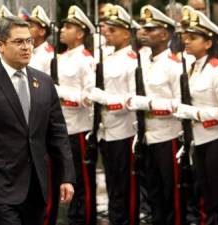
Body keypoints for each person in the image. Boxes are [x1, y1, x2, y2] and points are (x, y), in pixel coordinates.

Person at [0, 16, 75, 225]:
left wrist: (66, 176)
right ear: (0, 46)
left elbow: (58, 134)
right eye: (19, 42)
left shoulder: (44, 81)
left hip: (36, 185)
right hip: (0, 184)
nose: (26, 47)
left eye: (29, 41)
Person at [127, 5, 183, 225]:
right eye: (144, 28)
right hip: (146, 136)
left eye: (151, 29)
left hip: (167, 136)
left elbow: (180, 104)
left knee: (173, 196)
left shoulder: (174, 65)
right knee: (153, 194)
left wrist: (149, 103)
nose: (145, 32)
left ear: (165, 34)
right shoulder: (143, 62)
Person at [87, 4, 139, 225]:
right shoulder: (106, 57)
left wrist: (106, 100)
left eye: (113, 30)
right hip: (105, 130)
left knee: (125, 185)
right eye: (107, 29)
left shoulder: (132, 61)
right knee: (111, 183)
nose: (107, 33)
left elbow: (133, 99)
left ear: (127, 33)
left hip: (124, 130)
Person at [174, 7, 218, 225]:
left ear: (209, 43)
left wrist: (196, 113)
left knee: (215, 196)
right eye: (186, 37)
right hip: (198, 139)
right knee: (203, 194)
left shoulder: (216, 70)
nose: (187, 41)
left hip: (215, 139)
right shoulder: (192, 69)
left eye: (193, 38)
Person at [56, 5, 96, 225]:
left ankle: (85, 219)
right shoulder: (61, 57)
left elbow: (89, 96)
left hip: (79, 126)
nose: (62, 29)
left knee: (82, 181)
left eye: (68, 27)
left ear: (80, 34)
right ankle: (73, 217)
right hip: (62, 126)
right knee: (67, 179)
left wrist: (61, 93)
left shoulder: (85, 59)